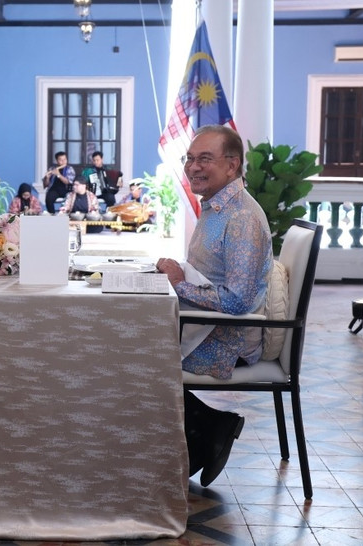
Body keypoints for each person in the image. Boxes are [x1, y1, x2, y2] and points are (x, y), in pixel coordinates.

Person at [156, 124, 273, 487]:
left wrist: (180, 283)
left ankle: (210, 428)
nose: (193, 167)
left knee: (135, 353)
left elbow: (237, 301)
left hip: (228, 341)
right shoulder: (217, 206)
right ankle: (201, 433)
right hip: (205, 326)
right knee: (129, 344)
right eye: (190, 158)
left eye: (205, 158)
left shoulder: (240, 219)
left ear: (232, 166)